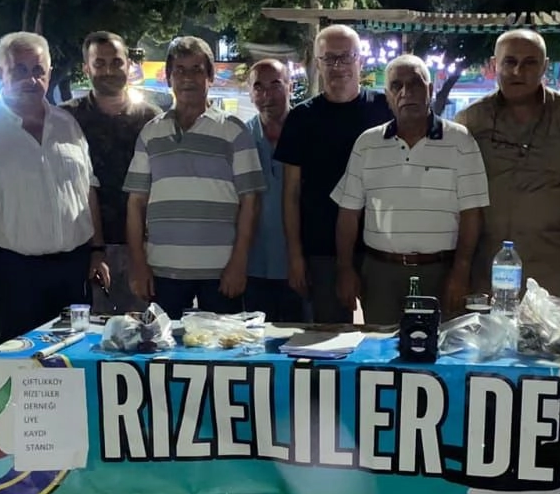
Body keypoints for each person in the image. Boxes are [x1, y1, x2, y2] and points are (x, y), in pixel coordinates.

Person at [0, 31, 109, 346]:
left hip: (72, 272)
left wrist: (97, 251)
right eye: (19, 70)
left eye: (38, 71)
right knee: (15, 363)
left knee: (73, 360)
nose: (30, 80)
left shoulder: (67, 124)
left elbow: (87, 189)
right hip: (11, 273)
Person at [332, 55, 488, 323]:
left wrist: (461, 272)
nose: (406, 92)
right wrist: (345, 268)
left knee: (439, 347)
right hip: (380, 275)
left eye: (416, 83)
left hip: (441, 272)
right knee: (380, 348)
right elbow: (348, 214)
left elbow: (472, 214)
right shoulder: (367, 144)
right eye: (397, 86)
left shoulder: (460, 141)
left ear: (430, 89)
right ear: (388, 96)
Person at [124, 36, 263, 318]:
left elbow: (251, 202)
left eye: (197, 70)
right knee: (162, 344)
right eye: (180, 70)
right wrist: (138, 264)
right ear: (169, 77)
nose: (188, 78)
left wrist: (239, 263)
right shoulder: (150, 133)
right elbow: (136, 203)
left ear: (210, 76)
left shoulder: (234, 131)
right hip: (162, 270)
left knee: (223, 344)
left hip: (221, 271)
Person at [457, 29, 560, 298]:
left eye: (530, 62)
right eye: (510, 62)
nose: (518, 71)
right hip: (486, 262)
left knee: (547, 325)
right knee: (487, 325)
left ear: (545, 66)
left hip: (548, 261)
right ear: (494, 65)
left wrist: (548, 212)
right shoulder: (471, 120)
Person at [274, 25, 393, 322]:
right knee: (329, 339)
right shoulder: (301, 118)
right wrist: (295, 256)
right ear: (317, 63)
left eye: (346, 56)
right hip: (321, 250)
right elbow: (290, 194)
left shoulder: (386, 110)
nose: (338, 66)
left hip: (381, 249)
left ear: (360, 60)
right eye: (329, 58)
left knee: (386, 336)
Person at [63, 31, 161, 315]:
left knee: (144, 330)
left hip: (144, 248)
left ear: (129, 65)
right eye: (99, 63)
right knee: (91, 333)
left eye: (116, 62)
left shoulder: (151, 118)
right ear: (86, 68)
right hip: (86, 249)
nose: (109, 70)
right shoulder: (67, 118)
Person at [243, 59, 306, 322]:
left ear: (290, 87)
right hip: (252, 265)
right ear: (250, 93)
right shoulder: (241, 137)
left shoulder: (308, 131)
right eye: (258, 87)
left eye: (276, 85)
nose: (267, 95)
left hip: (301, 264)